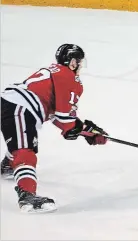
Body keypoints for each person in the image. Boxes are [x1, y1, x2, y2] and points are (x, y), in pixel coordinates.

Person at [0, 44, 108, 213]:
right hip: (19, 107)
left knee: (22, 138)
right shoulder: (69, 78)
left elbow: (58, 117)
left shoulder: (54, 73)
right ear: (72, 62)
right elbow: (66, 122)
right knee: (25, 149)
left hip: (14, 104)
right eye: (79, 62)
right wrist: (86, 132)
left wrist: (86, 131)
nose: (80, 66)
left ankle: (8, 165)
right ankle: (27, 196)